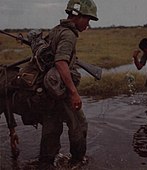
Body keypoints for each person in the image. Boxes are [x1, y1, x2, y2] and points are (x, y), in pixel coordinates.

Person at [38, 0, 98, 169]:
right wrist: (74, 93)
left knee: (52, 125)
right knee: (79, 124)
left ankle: (45, 163)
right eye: (88, 19)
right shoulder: (69, 34)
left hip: (50, 89)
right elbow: (61, 63)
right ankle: (77, 162)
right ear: (77, 16)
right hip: (62, 89)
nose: (88, 25)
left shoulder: (56, 30)